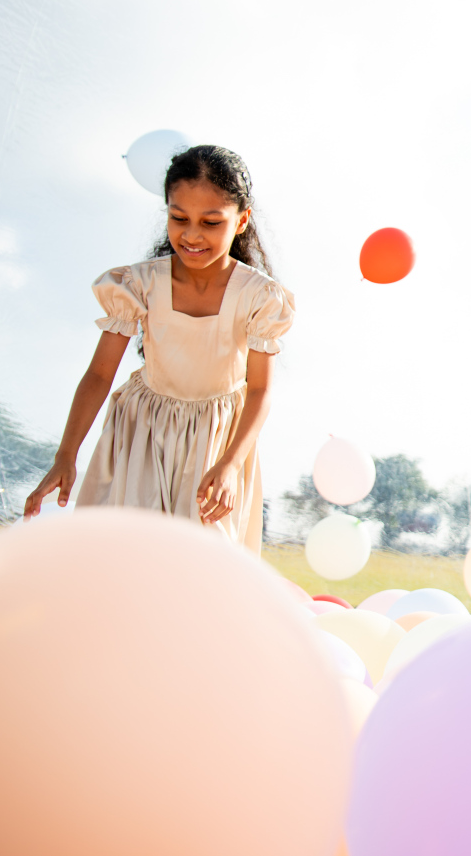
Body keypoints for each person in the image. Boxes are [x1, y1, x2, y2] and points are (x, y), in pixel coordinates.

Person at [23, 145, 294, 554]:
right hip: (141, 434)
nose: (191, 234)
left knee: (202, 563)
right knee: (126, 555)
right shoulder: (137, 285)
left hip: (216, 441)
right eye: (178, 218)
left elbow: (259, 390)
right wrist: (66, 454)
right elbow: (99, 375)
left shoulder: (259, 297)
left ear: (241, 221)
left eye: (211, 221)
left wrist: (230, 465)